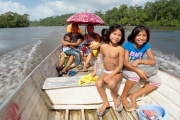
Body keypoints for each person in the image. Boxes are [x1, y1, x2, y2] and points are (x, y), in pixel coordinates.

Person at [121, 25, 162, 112]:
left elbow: (153, 61)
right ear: (134, 35)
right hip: (126, 69)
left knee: (157, 81)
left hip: (138, 68)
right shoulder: (128, 44)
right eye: (138, 35)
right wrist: (137, 70)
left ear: (147, 37)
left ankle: (134, 96)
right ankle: (123, 96)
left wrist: (139, 60)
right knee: (135, 76)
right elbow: (125, 63)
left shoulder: (146, 45)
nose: (141, 38)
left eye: (144, 35)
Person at [95, 24, 125, 116]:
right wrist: (98, 72)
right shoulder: (103, 46)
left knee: (112, 83)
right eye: (114, 34)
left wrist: (110, 76)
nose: (116, 37)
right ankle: (105, 102)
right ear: (109, 33)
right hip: (106, 71)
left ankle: (116, 98)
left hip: (117, 72)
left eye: (119, 35)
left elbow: (120, 66)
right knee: (98, 83)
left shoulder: (120, 49)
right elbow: (102, 60)